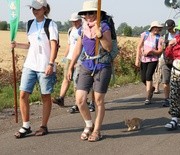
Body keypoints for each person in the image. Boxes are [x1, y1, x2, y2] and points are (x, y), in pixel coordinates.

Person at [11, 0, 58, 138]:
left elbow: (54, 45)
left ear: (44, 9)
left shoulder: (51, 24)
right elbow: (31, 45)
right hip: (30, 65)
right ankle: (26, 126)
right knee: (23, 94)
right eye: (32, 8)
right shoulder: (30, 24)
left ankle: (43, 126)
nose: (34, 10)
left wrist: (50, 63)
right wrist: (17, 45)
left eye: (37, 8)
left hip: (45, 66)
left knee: (45, 96)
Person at [67, 0, 112, 142]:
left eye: (91, 12)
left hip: (102, 65)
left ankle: (97, 130)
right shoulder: (83, 29)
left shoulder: (104, 26)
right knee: (80, 99)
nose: (88, 15)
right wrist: (70, 66)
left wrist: (100, 35)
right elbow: (78, 48)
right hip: (86, 64)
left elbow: (109, 47)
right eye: (85, 13)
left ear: (98, 14)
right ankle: (88, 125)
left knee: (98, 100)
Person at [135, 21, 164, 105]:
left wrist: (152, 51)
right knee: (143, 78)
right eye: (155, 27)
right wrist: (137, 58)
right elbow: (139, 46)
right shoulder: (145, 34)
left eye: (158, 28)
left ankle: (148, 97)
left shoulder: (160, 38)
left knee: (148, 76)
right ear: (151, 27)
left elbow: (160, 51)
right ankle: (151, 88)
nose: (156, 29)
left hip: (153, 60)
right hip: (143, 59)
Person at [161, 19, 178, 107]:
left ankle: (178, 99)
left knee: (178, 81)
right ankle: (167, 99)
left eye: (170, 28)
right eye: (167, 28)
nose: (169, 30)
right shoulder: (165, 36)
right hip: (166, 60)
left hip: (177, 61)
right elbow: (163, 48)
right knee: (166, 80)